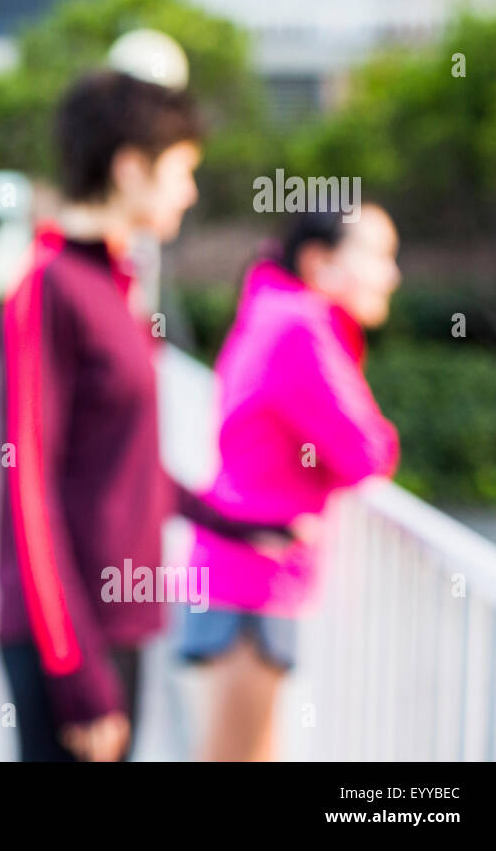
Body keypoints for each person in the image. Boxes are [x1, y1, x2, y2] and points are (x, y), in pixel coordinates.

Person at [0, 71, 286, 762]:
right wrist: (73, 671)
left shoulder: (116, 285)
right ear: (130, 169)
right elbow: (27, 491)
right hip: (67, 637)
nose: (189, 190)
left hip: (121, 622)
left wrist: (234, 521)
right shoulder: (48, 287)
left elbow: (124, 463)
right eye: (182, 170)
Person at [178, 202, 402, 761]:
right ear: (319, 260)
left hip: (244, 571)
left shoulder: (273, 310)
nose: (392, 274)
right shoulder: (300, 325)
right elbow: (367, 452)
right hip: (251, 580)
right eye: (379, 256)